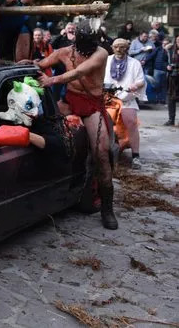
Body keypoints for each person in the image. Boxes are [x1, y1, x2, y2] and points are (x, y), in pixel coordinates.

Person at [27, 21, 117, 229]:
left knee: (101, 153)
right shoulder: (64, 52)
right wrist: (28, 62)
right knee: (49, 132)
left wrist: (52, 80)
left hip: (92, 105)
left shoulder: (101, 54)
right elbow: (42, 64)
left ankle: (107, 209)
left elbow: (79, 72)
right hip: (69, 100)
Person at [0, 77, 69, 158]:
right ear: (12, 103)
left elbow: (62, 147)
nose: (35, 113)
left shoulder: (37, 121)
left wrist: (28, 136)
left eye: (37, 106)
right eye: (29, 106)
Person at [104, 38, 147, 169]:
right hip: (108, 98)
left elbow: (141, 80)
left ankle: (136, 156)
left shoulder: (134, 63)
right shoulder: (106, 60)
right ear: (112, 47)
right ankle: (102, 153)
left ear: (127, 48)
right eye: (116, 46)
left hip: (126, 98)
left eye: (122, 47)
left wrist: (134, 85)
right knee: (102, 123)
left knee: (132, 123)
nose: (119, 49)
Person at [165, 36, 179, 126]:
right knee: (171, 99)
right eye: (178, 40)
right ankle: (171, 119)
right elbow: (164, 61)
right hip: (172, 77)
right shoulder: (170, 50)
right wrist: (167, 66)